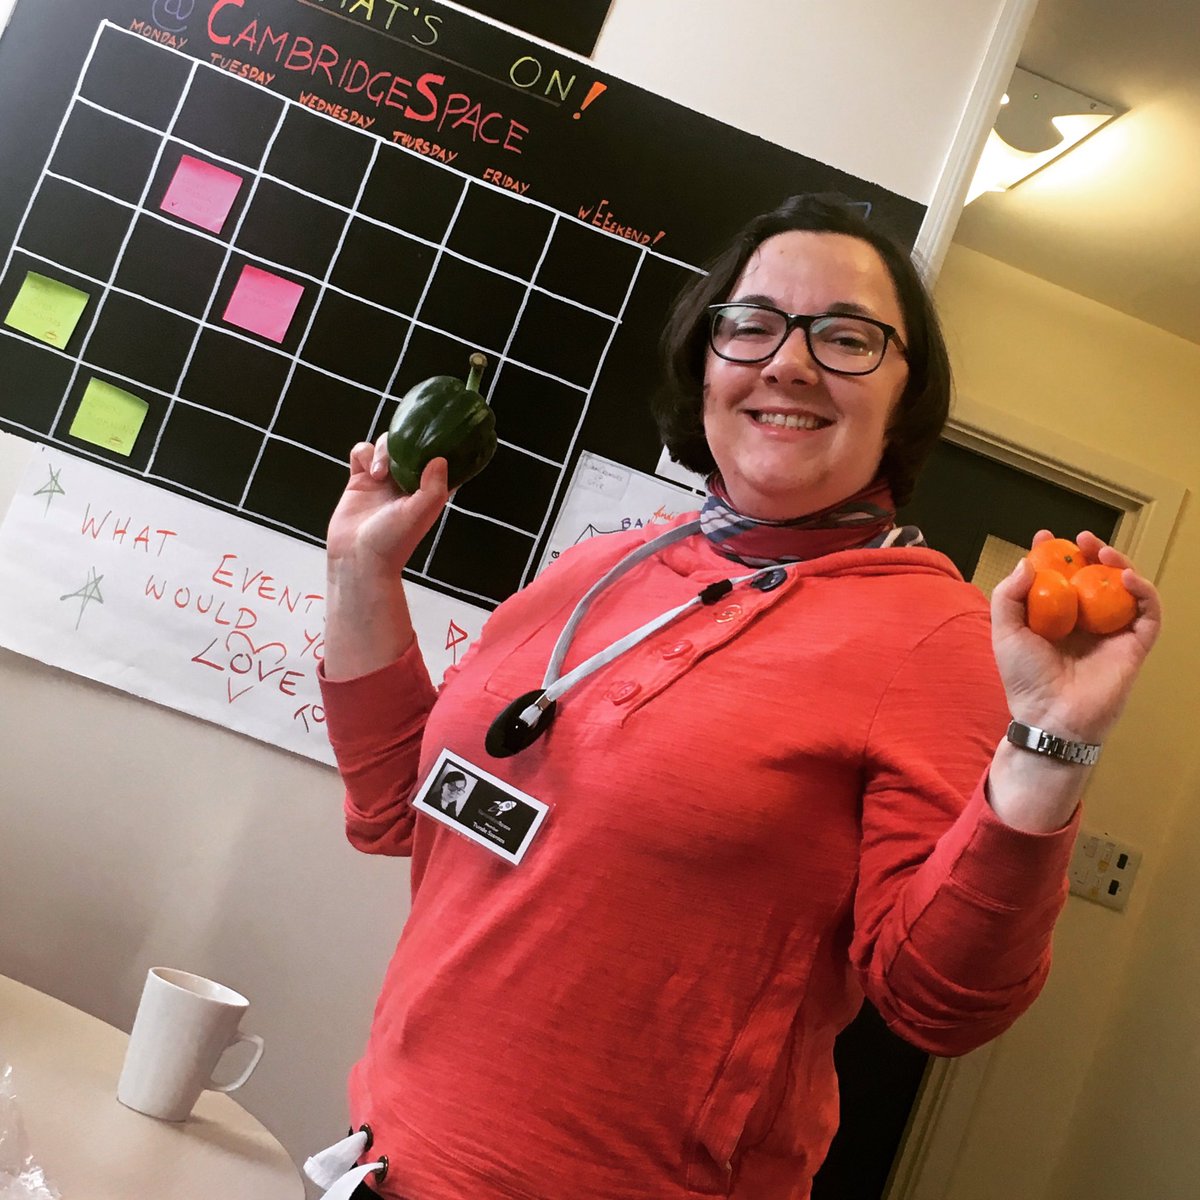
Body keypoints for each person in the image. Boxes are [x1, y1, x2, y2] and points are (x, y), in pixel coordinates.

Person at [313, 195, 1161, 1200]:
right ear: (705, 363)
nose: (789, 363)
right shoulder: (597, 570)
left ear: (906, 397)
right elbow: (395, 808)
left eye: (846, 338)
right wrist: (360, 573)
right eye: (752, 325)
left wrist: (1049, 746)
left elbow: (944, 1002)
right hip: (381, 1164)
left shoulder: (935, 639)